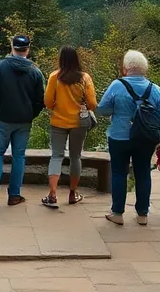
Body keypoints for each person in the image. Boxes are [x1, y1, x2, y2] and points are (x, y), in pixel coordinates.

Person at [97, 50, 160, 226]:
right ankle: (142, 214)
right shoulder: (155, 89)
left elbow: (102, 109)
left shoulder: (116, 85)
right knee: (143, 173)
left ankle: (117, 213)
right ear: (144, 68)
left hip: (119, 136)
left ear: (126, 68)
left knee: (119, 173)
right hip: (145, 138)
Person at [0, 35, 46, 207]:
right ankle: (14, 195)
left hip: (3, 119)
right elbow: (41, 100)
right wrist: (30, 114)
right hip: (24, 120)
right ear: (28, 49)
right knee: (19, 156)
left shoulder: (0, 67)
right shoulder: (35, 72)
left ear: (12, 47)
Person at [42, 46, 98, 209]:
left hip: (58, 122)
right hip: (78, 124)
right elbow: (93, 104)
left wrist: (58, 107)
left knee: (56, 156)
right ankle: (73, 193)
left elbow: (47, 102)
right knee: (76, 157)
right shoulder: (84, 78)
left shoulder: (54, 77)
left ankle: (52, 195)